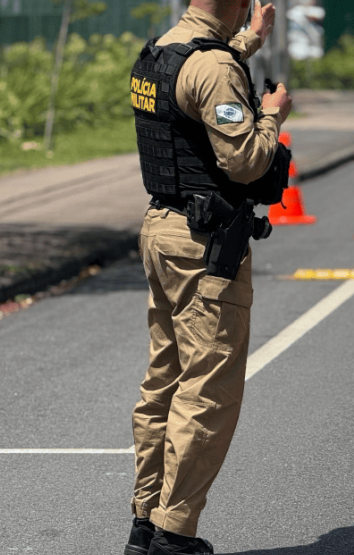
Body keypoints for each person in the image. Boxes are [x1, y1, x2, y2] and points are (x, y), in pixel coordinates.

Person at [124, 1, 291, 554]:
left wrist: (248, 41)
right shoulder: (214, 68)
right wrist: (271, 117)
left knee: (164, 381)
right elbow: (245, 161)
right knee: (207, 390)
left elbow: (198, 78)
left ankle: (145, 521)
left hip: (160, 228)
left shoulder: (160, 53)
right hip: (203, 244)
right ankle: (174, 532)